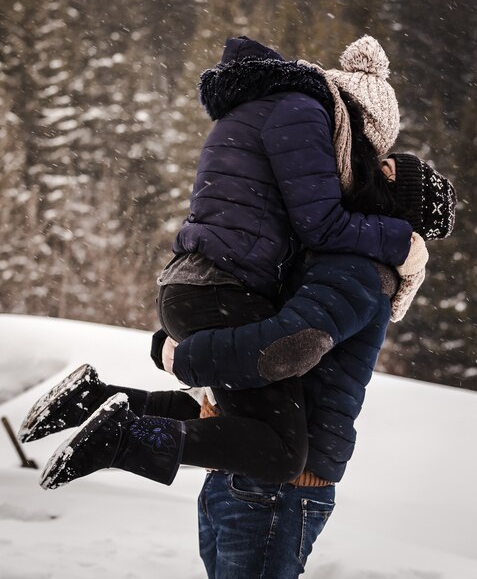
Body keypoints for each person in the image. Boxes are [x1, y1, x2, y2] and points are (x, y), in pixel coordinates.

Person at [22, 35, 418, 482]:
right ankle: (124, 436)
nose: (352, 168)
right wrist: (402, 244)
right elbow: (321, 223)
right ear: (356, 117)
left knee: (228, 413)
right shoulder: (303, 112)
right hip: (225, 286)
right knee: (282, 450)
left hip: (193, 283)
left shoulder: (268, 107)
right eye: (363, 151)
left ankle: (91, 402)